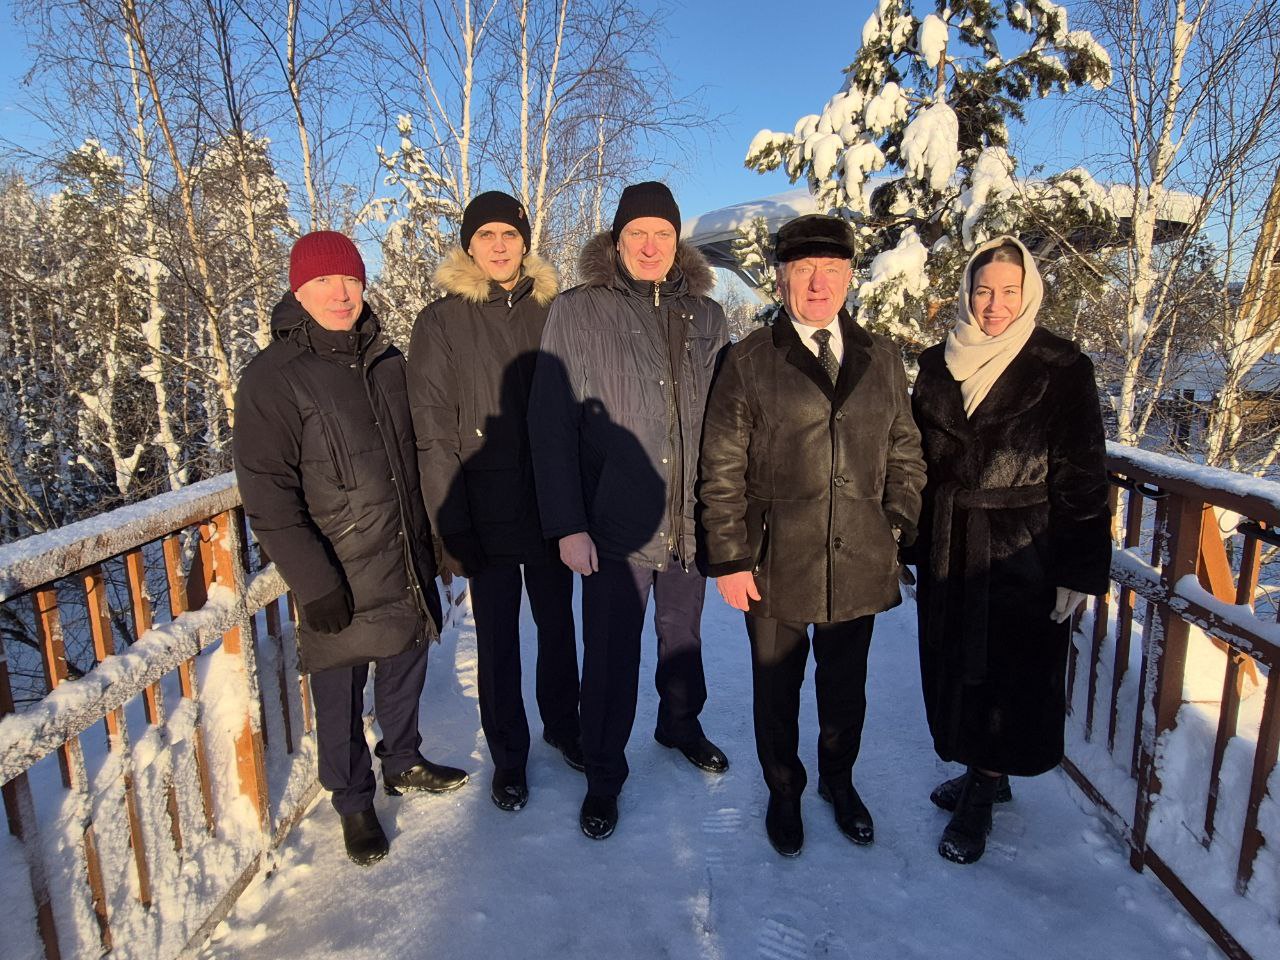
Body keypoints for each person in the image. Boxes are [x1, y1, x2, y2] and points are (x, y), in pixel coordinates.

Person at [233, 231, 467, 867]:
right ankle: (353, 801)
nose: (340, 294)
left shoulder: (387, 361)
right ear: (299, 291)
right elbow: (268, 494)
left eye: (350, 280)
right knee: (338, 689)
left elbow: (416, 457)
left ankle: (404, 760)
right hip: (335, 566)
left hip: (401, 551)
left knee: (405, 659)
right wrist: (313, 581)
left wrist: (438, 539)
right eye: (322, 283)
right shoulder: (272, 378)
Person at [699, 214, 926, 858]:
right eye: (804, 270)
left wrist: (895, 523)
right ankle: (784, 789)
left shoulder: (882, 357)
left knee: (845, 688)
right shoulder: (749, 359)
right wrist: (730, 559)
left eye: (831, 269)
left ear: (849, 277)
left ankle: (838, 780)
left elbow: (905, 450)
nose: (818, 283)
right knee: (776, 690)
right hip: (775, 560)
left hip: (859, 557)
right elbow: (721, 467)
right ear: (781, 279)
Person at [528, 181, 730, 840]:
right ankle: (604, 773)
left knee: (683, 639)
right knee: (611, 658)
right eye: (637, 233)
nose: (650, 245)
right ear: (616, 242)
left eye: (662, 234)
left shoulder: (708, 316)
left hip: (689, 519)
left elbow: (728, 425)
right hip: (613, 523)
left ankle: (679, 726)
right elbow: (551, 425)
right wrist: (568, 525)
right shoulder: (578, 310)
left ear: (677, 242)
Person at [909, 235, 1111, 865]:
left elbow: (1083, 473)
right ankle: (981, 772)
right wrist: (909, 539)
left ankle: (984, 788)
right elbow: (916, 461)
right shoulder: (939, 363)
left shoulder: (1061, 366)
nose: (994, 304)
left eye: (1008, 291)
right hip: (950, 544)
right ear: (967, 294)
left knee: (1006, 677)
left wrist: (1077, 567)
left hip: (1024, 549)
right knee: (956, 668)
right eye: (983, 290)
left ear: (1029, 295)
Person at [408, 191, 582, 813]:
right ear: (469, 246)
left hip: (552, 505)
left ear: (525, 242)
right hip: (485, 508)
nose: (500, 246)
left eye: (510, 234)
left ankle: (564, 725)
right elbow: (431, 429)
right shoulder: (442, 321)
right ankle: (509, 754)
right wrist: (449, 522)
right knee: (499, 638)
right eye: (486, 235)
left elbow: (582, 407)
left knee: (558, 627)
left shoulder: (555, 310)